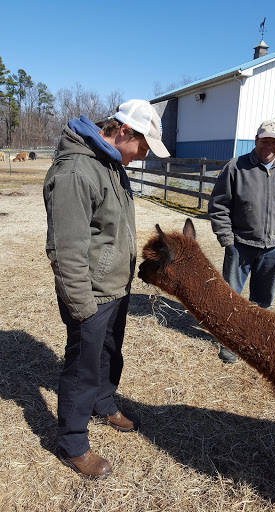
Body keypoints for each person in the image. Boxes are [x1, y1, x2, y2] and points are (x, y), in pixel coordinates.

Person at [43, 99, 170, 478]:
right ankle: (72, 443)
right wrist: (82, 305)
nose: (142, 156)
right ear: (124, 132)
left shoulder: (112, 164)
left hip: (115, 287)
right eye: (143, 147)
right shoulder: (77, 171)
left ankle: (104, 401)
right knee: (82, 367)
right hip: (90, 295)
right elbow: (65, 249)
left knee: (109, 353)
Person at [208, 119, 275, 363]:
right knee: (232, 297)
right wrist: (227, 239)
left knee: (262, 300)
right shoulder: (236, 167)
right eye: (265, 140)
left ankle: (253, 338)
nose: (270, 145)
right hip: (240, 245)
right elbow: (218, 204)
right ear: (256, 140)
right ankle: (229, 343)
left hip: (273, 248)